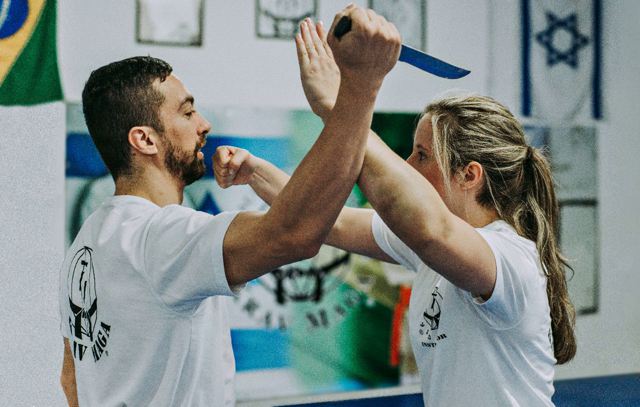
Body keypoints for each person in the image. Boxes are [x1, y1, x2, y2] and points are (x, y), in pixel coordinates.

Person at [214, 18, 577, 406]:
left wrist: (348, 99)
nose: (408, 163)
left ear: (469, 175)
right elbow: (331, 221)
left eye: (421, 155)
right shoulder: (431, 255)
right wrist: (255, 172)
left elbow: (427, 226)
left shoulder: (510, 259)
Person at [58, 6, 402, 406]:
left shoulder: (88, 243)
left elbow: (72, 380)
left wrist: (258, 174)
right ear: (144, 140)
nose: (203, 124)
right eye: (187, 113)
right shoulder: (161, 236)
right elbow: (294, 232)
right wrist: (359, 90)